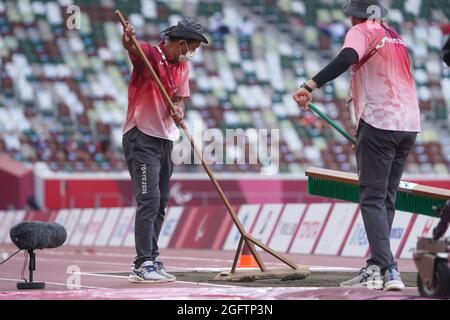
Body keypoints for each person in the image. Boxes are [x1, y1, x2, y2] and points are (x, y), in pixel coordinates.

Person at [293, 0, 420, 291]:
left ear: (354, 16)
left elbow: (347, 57)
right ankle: (376, 267)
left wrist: (309, 85)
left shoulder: (363, 30)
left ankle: (389, 270)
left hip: (380, 122)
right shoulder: (393, 35)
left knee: (372, 198)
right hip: (408, 124)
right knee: (387, 197)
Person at [121, 18, 208, 283]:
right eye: (191, 47)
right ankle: (142, 264)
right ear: (181, 42)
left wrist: (178, 108)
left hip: (165, 138)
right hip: (141, 135)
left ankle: (153, 257)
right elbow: (132, 48)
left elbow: (179, 98)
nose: (192, 52)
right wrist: (127, 37)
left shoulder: (183, 67)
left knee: (160, 203)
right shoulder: (150, 54)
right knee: (148, 199)